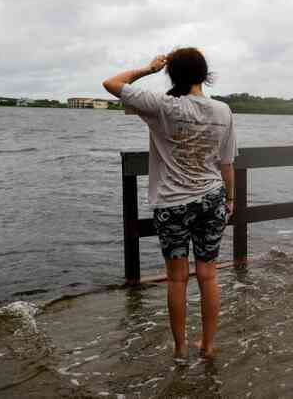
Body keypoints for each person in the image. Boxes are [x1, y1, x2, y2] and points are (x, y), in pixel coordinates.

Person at [102, 48, 237, 361]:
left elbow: (111, 83)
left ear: (173, 75)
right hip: (212, 199)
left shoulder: (162, 106)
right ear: (204, 75)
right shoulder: (223, 111)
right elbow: (227, 163)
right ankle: (208, 346)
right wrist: (230, 198)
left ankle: (179, 349)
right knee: (209, 275)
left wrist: (150, 69)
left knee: (177, 279)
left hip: (173, 203)